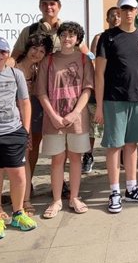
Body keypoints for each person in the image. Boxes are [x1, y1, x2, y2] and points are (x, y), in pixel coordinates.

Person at [95, 0, 138, 213]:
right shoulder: (108, 37)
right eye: (124, 9)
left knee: (132, 145)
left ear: (137, 11)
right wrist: (100, 106)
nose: (128, 13)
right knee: (114, 146)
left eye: (131, 9)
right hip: (114, 100)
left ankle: (132, 188)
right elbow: (99, 73)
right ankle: (114, 192)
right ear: (118, 12)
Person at [0, 37, 37, 239]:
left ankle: (18, 212)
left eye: (2, 52)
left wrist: (25, 130)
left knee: (18, 175)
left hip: (13, 132)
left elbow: (25, 102)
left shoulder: (15, 74)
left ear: (8, 54)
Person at [36, 22, 95, 217]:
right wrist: (53, 115)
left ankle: (75, 197)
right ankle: (56, 200)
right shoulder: (48, 61)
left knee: (76, 158)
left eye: (72, 35)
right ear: (58, 37)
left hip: (77, 119)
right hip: (53, 119)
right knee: (57, 160)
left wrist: (75, 113)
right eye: (64, 35)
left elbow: (87, 89)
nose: (67, 38)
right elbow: (41, 92)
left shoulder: (85, 60)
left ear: (78, 39)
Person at [15, 33, 54, 215]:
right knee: (21, 155)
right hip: (14, 116)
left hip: (34, 112)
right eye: (34, 49)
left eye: (41, 51)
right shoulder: (13, 67)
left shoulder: (38, 69)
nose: (36, 53)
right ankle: (22, 200)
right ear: (27, 48)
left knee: (30, 152)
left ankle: (25, 196)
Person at [84, 6, 121, 174]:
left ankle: (117, 158)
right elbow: (92, 62)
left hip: (117, 90)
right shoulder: (99, 38)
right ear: (107, 19)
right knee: (92, 125)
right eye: (112, 15)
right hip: (100, 87)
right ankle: (88, 156)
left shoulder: (125, 37)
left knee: (115, 126)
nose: (116, 18)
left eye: (118, 15)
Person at [11, 0, 89, 61]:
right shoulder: (29, 30)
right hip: (36, 75)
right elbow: (14, 57)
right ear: (40, 7)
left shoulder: (69, 31)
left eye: (52, 4)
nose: (48, 7)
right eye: (44, 4)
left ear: (59, 7)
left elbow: (88, 55)